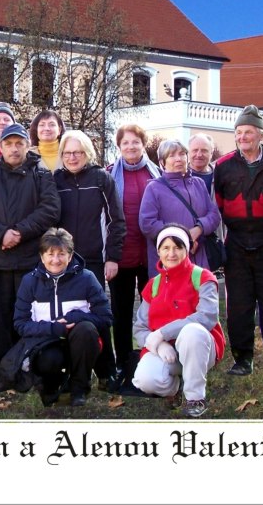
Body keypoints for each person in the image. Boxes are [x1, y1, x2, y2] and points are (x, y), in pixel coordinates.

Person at [0, 122, 60, 386]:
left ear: (27, 145)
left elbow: (50, 209)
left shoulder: (41, 173)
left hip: (30, 260)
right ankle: (2, 373)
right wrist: (1, 234)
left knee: (29, 320)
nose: (14, 148)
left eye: (19, 143)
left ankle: (26, 371)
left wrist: (19, 232)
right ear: (0, 147)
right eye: (8, 143)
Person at [213, 105, 263, 380]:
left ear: (261, 134)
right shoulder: (223, 167)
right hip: (236, 243)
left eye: (248, 132)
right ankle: (242, 359)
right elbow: (220, 204)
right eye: (238, 132)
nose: (243, 137)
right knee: (238, 305)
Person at [6, 228, 112, 407]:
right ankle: (51, 387)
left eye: (61, 254)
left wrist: (77, 317)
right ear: (42, 256)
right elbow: (21, 323)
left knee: (86, 330)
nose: (56, 260)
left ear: (70, 256)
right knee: (50, 361)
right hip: (45, 343)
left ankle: (79, 388)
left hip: (79, 341)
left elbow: (106, 317)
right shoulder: (30, 282)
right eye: (50, 254)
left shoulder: (87, 279)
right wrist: (54, 328)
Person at [130, 226, 226, 418]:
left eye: (177, 247)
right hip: (167, 353)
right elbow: (140, 328)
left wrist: (163, 333)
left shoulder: (203, 277)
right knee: (144, 380)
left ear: (188, 249)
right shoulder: (153, 285)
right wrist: (159, 346)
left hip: (199, 348)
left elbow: (206, 316)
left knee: (192, 331)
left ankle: (195, 398)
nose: (171, 253)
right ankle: (176, 387)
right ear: (158, 251)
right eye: (166, 248)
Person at [53, 129, 123, 381]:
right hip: (61, 261)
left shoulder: (101, 179)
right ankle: (70, 372)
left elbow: (116, 221)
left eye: (78, 152)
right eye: (68, 153)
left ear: (87, 153)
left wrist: (112, 257)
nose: (72, 157)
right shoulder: (55, 181)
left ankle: (106, 372)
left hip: (93, 260)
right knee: (66, 316)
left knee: (97, 315)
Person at [105, 123, 159, 393]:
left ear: (143, 144)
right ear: (119, 146)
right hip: (121, 255)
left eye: (135, 142)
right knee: (121, 312)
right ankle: (123, 361)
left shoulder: (156, 174)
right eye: (125, 143)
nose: (130, 147)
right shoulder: (109, 175)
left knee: (153, 311)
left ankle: (154, 358)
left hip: (150, 255)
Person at [140, 139, 222, 277]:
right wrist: (184, 239)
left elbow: (214, 215)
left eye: (182, 154)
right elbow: (148, 224)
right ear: (162, 162)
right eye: (171, 155)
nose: (178, 159)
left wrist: (199, 228)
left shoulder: (198, 183)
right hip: (169, 261)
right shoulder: (154, 188)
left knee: (200, 296)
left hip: (199, 259)